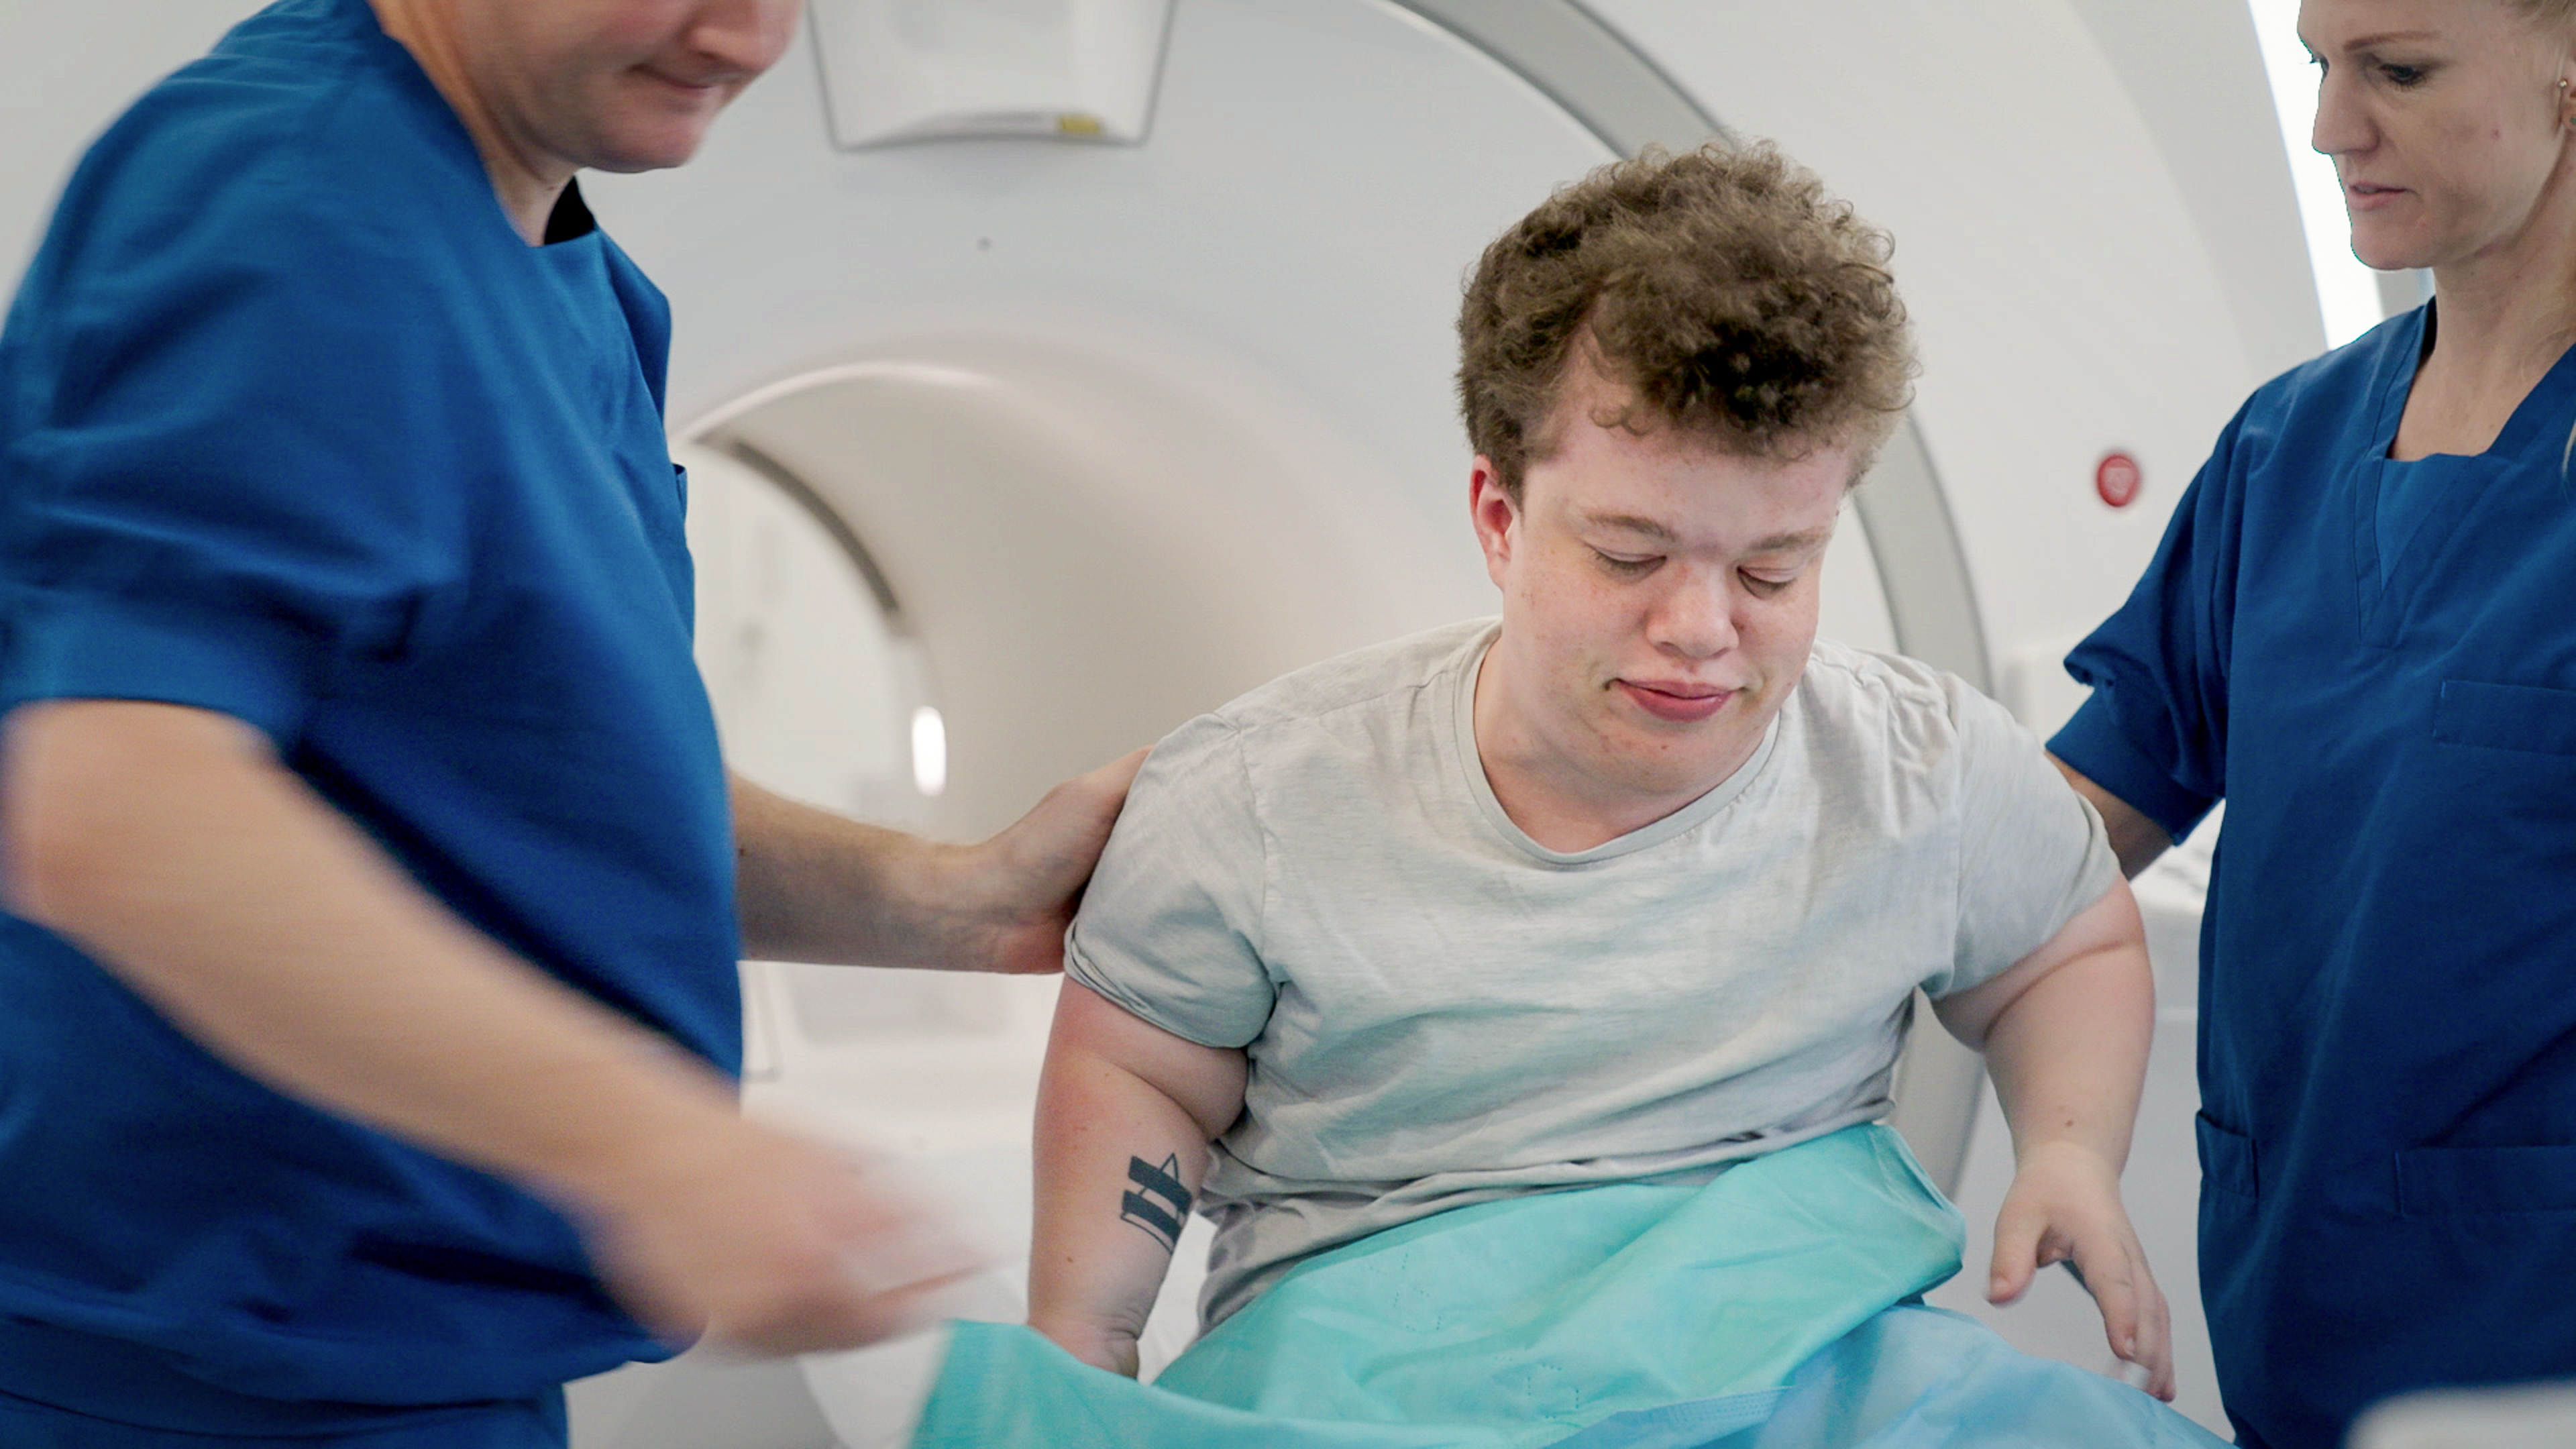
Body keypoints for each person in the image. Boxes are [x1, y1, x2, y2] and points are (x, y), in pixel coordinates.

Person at [888, 144, 2227, 1448]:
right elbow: (1140, 1067)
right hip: (1378, 1368)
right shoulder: (1260, 798)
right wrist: (1085, 1350)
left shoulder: (1917, 768)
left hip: (1801, 1347)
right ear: (1498, 518)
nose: (1699, 628)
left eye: (1772, 571)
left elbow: (2065, 944)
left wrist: (2068, 1153)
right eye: (1631, 556)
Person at [0, 0, 1139, 1443]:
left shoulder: (570, 267)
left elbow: (539, 793)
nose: (745, 36)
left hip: (415, 1354)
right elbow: (111, 800)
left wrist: (953, 903)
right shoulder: (295, 211)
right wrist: (655, 1151)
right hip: (198, 1373)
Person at [2047, 2, 2576, 1444]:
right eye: (2318, 68)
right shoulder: (2286, 443)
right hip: (2296, 1303)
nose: (2334, 129)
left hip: (2536, 1337)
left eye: (2397, 71)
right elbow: (2090, 808)